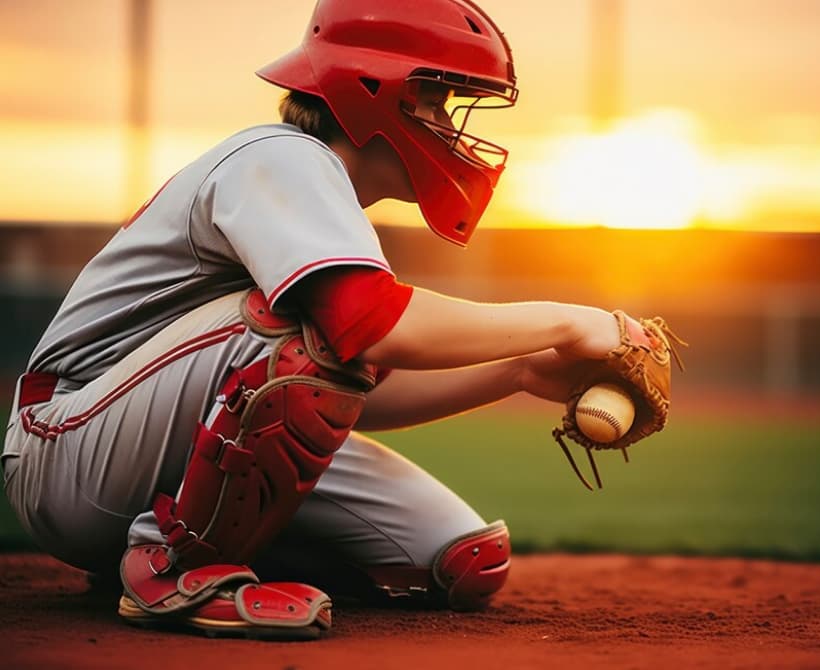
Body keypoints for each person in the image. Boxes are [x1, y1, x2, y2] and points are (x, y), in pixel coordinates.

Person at [2, 0, 648, 640]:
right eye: (438, 99)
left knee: (464, 560)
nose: (449, 124)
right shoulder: (283, 156)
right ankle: (175, 568)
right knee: (297, 329)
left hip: (155, 442)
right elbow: (371, 327)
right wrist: (568, 322)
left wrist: (518, 371)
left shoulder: (320, 193)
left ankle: (177, 544)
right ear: (376, 90)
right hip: (66, 448)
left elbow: (339, 384)